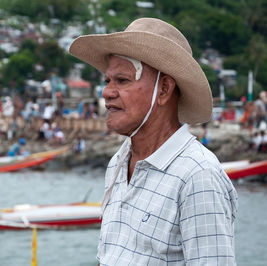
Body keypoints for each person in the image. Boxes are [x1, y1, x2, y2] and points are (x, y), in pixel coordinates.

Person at [69, 17, 238, 265]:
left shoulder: (198, 177)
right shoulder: (119, 161)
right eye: (107, 81)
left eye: (122, 80)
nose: (106, 92)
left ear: (164, 90)